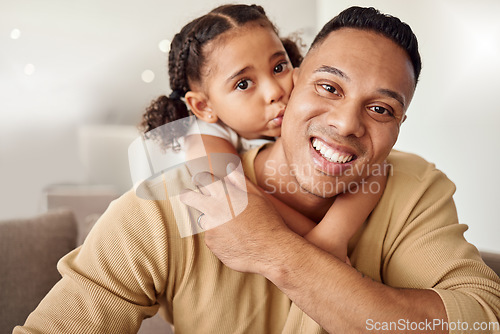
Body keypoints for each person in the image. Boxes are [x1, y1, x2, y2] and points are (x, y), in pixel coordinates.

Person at [14, 6, 500, 334]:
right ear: (303, 83)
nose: (346, 123)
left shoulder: (412, 186)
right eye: (330, 88)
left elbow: (481, 322)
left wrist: (276, 252)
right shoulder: (177, 196)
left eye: (380, 110)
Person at [138, 3, 385, 262]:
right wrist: (316, 242)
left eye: (279, 67)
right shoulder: (204, 137)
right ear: (204, 106)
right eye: (243, 84)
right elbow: (241, 196)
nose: (274, 92)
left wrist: (334, 236)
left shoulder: (303, 110)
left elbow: (376, 173)